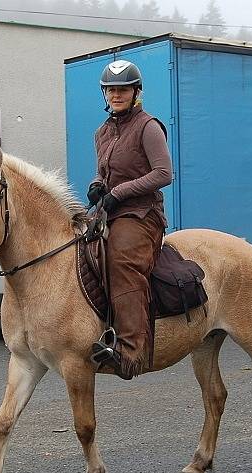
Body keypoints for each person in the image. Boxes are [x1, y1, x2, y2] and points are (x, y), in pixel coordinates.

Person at [88, 59, 173, 380]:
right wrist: (97, 184)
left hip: (143, 216)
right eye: (111, 90)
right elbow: (104, 170)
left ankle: (130, 349)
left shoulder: (149, 126)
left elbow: (164, 174)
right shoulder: (102, 131)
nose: (116, 95)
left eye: (122, 89)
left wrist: (120, 192)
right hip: (110, 209)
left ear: (136, 91)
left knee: (119, 258)